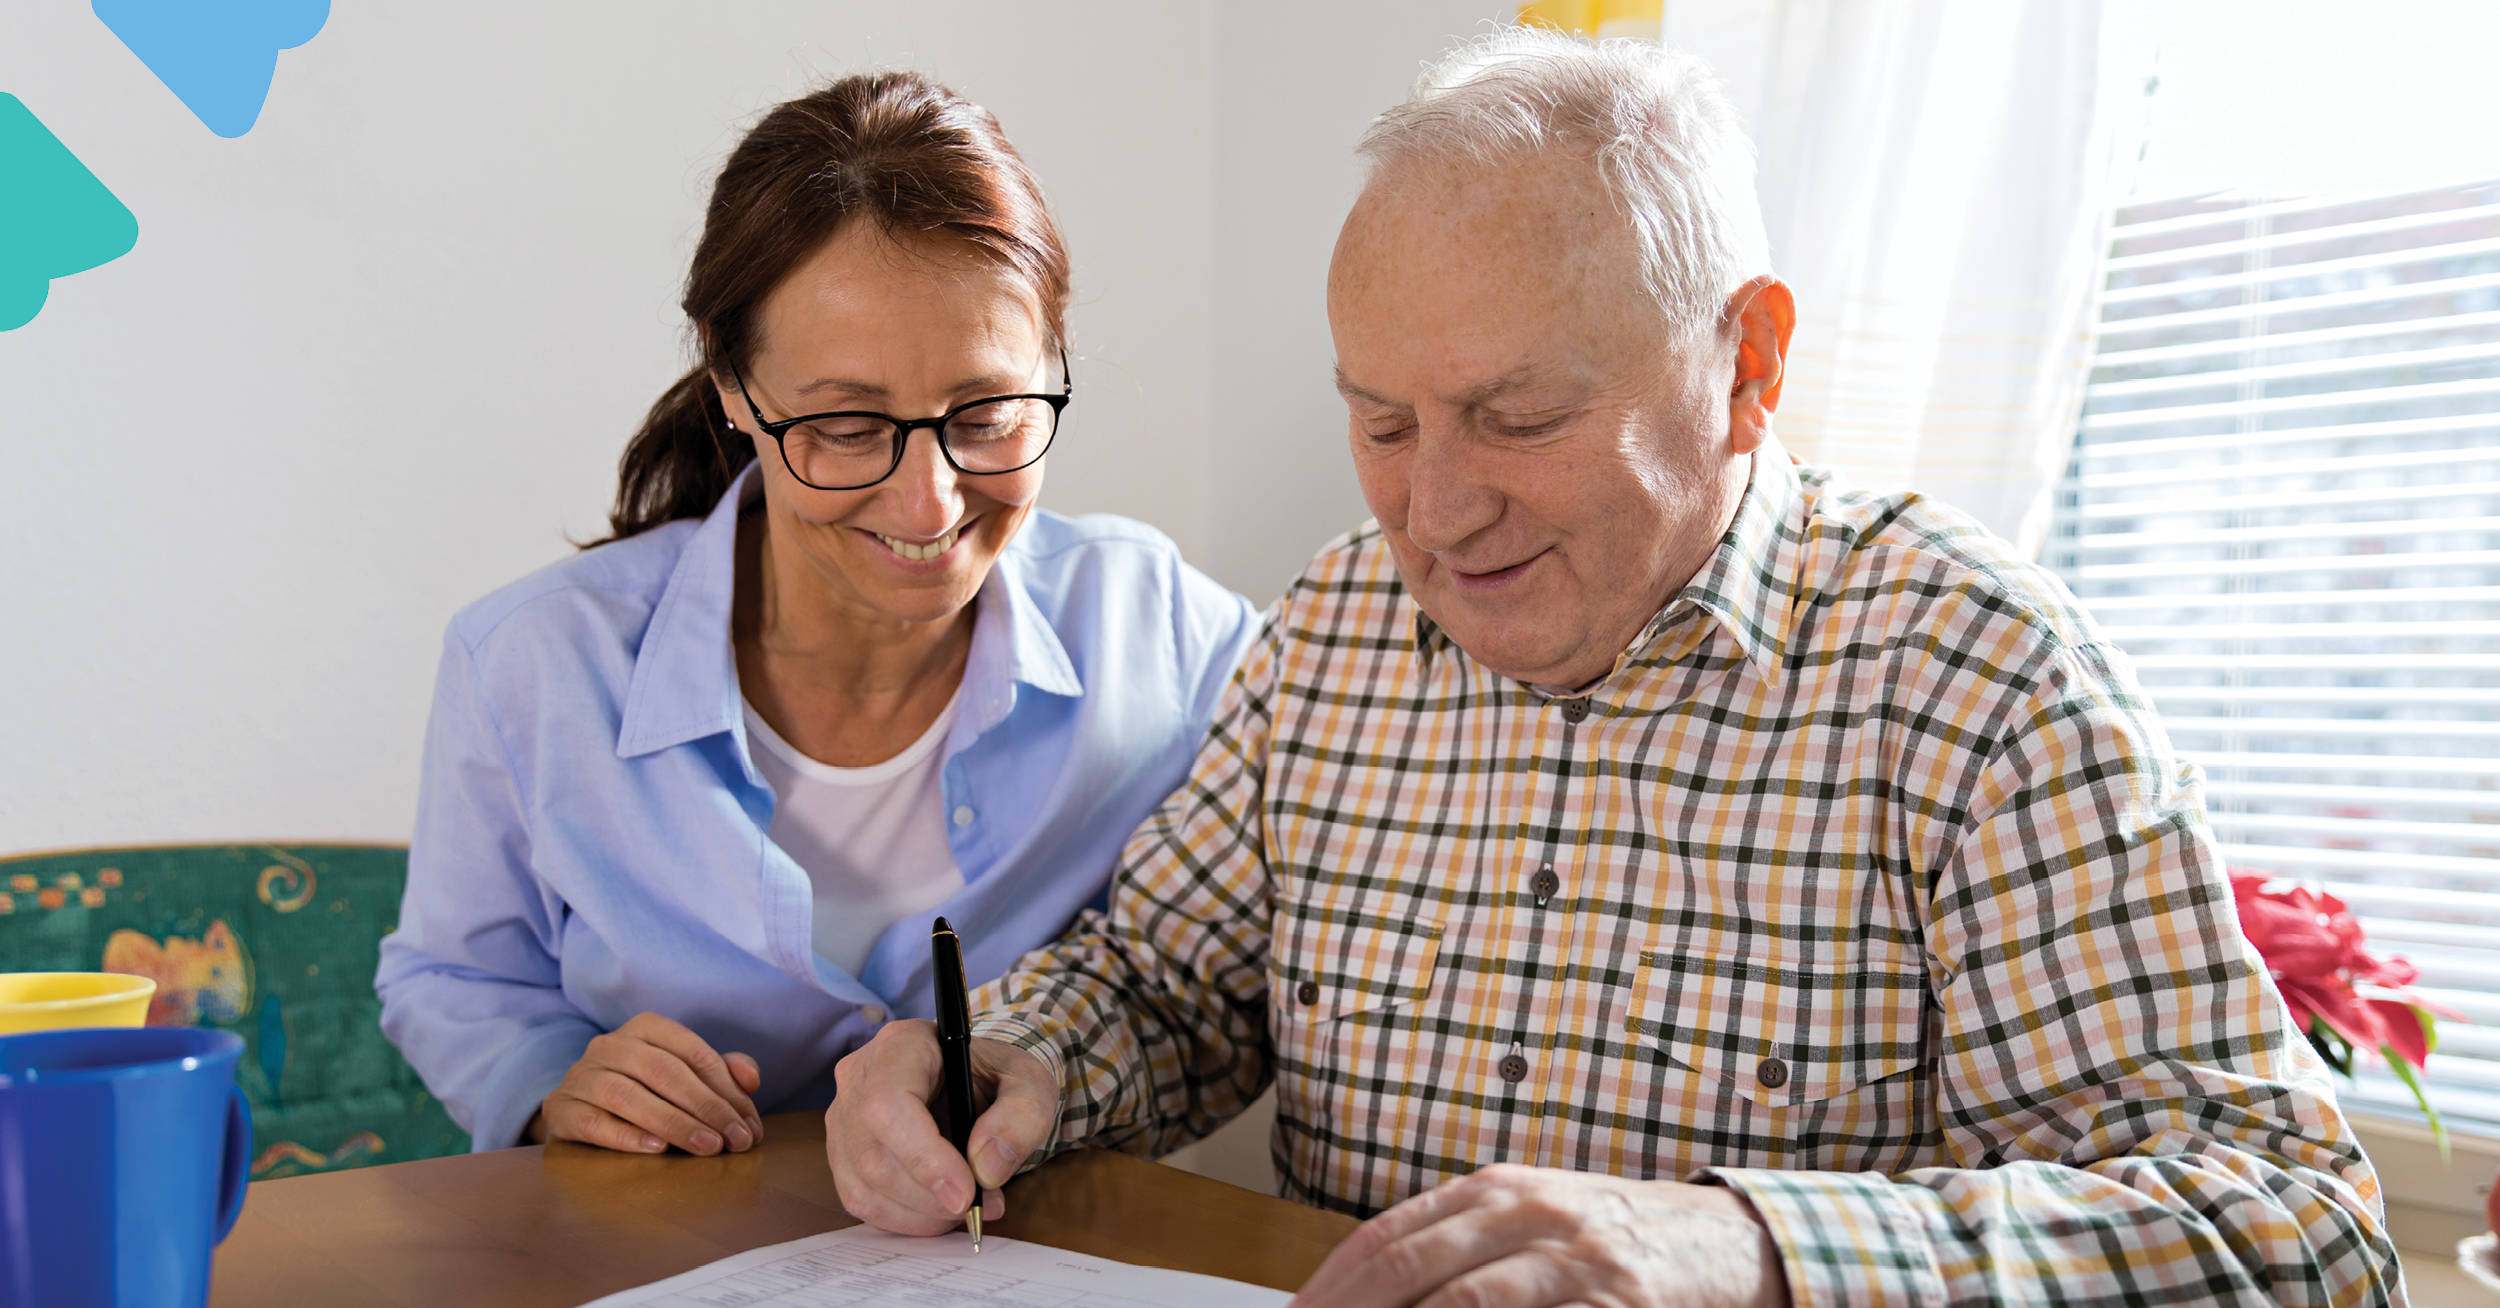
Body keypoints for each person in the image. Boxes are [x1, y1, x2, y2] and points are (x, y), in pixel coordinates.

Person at [821, 29, 2399, 1308]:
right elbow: (1161, 990)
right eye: (1381, 421)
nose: (1434, 515)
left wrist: (1750, 1249)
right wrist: (1009, 1062)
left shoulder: (1972, 681)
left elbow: (2293, 1227)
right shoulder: (1341, 629)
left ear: (1748, 366)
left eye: (1518, 418)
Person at [375, 71, 1257, 1158]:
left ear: (1052, 360)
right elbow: (453, 974)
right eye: (846, 424)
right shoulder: (535, 663)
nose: (930, 501)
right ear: (734, 386)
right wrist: (552, 1080)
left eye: (985, 413)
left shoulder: (1168, 636)